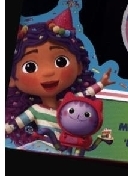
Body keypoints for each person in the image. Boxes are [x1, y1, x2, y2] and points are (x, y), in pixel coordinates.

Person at [5, 8, 113, 148]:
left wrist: (102, 83)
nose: (48, 72)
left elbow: (86, 93)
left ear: (79, 66)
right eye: (30, 67)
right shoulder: (35, 110)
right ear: (11, 79)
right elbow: (15, 124)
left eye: (61, 61)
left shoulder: (69, 103)